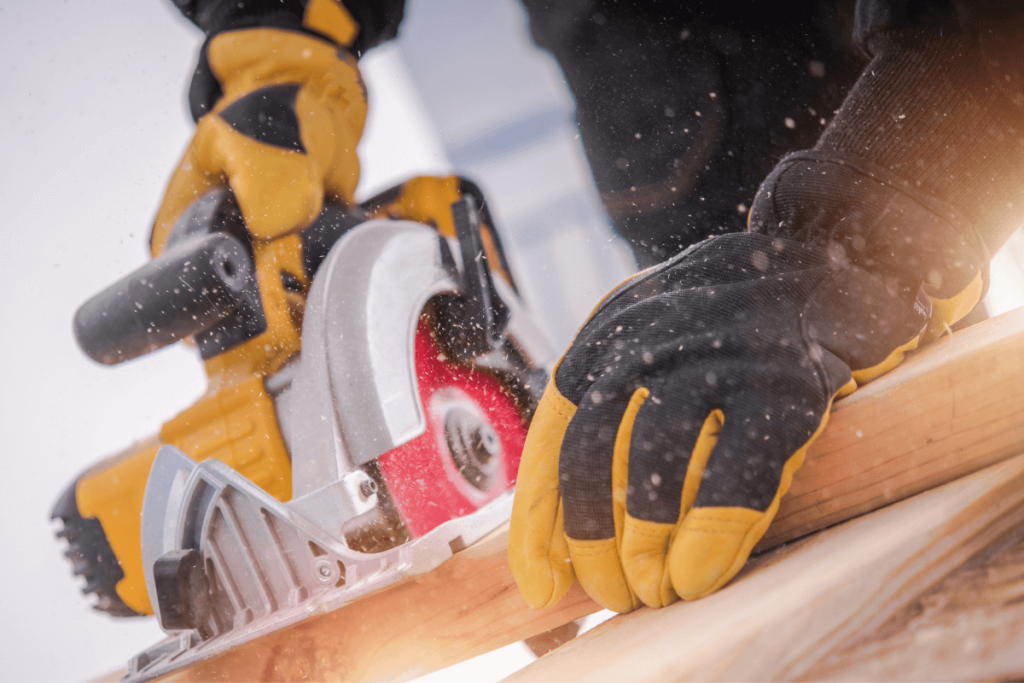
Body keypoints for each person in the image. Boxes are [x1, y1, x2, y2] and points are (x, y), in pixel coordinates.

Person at [68, 0, 1024, 616]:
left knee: (848, 327)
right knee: (724, 404)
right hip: (659, 54)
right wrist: (279, 32)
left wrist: (903, 194)